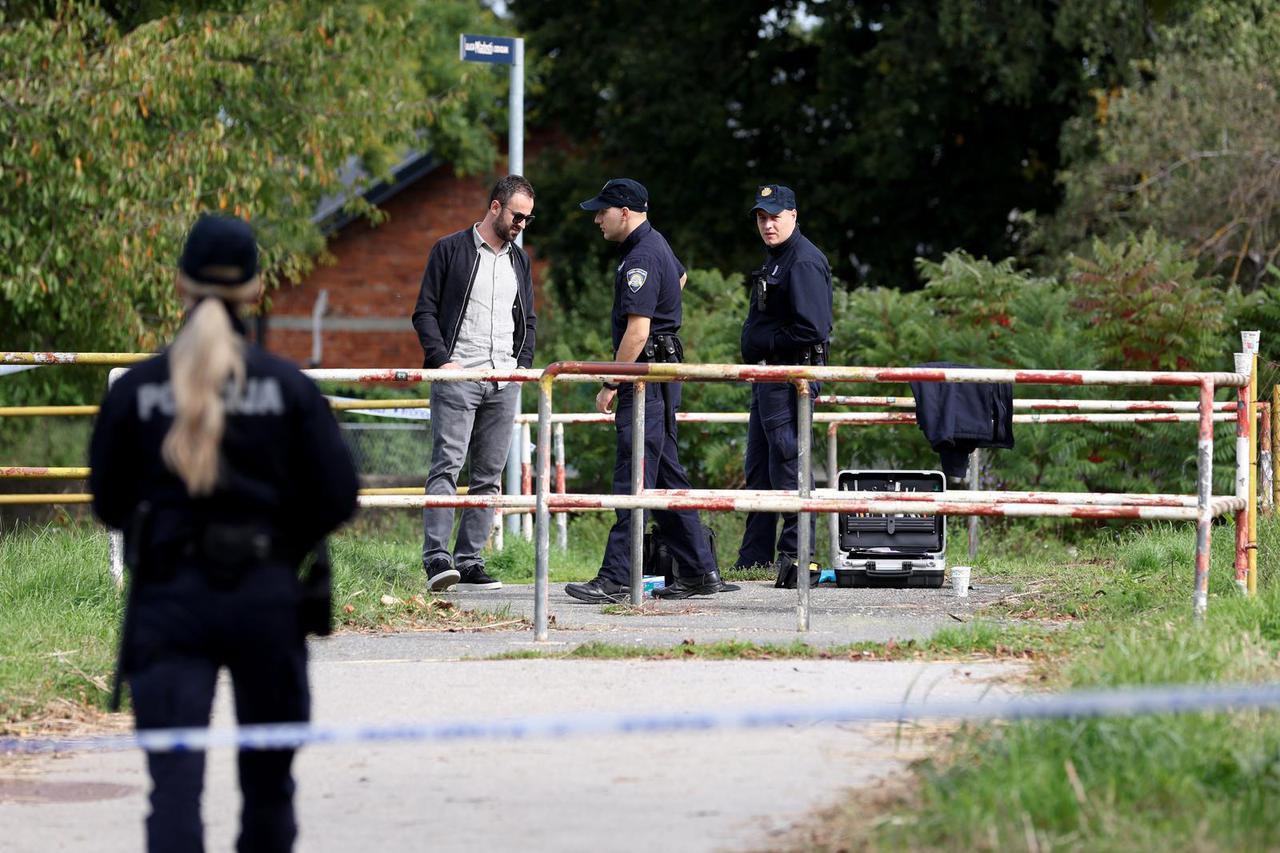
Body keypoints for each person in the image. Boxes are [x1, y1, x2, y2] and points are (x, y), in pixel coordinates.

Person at [89, 213, 360, 853]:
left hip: (167, 601)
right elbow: (339, 496)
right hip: (266, 601)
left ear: (181, 288)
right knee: (269, 792)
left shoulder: (137, 392)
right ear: (256, 290)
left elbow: (107, 503)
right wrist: (283, 542)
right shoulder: (290, 390)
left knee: (174, 795)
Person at [565, 178, 737, 602]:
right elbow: (679, 278)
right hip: (661, 375)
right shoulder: (654, 244)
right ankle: (699, 571)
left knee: (634, 475)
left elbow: (638, 332)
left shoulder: (640, 254)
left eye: (602, 211)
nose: (596, 219)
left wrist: (611, 381)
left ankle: (617, 577)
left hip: (644, 378)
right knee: (663, 474)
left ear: (625, 212)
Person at [411, 175, 538, 592]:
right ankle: (436, 557)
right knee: (447, 465)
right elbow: (424, 311)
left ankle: (469, 560)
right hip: (459, 375)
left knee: (489, 473)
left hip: (504, 380)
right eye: (518, 215)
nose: (522, 224)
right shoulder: (450, 249)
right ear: (496, 207)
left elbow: (528, 322)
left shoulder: (520, 261)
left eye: (528, 219)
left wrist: (521, 366)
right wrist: (441, 361)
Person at [733, 185, 833, 587]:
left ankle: (797, 555)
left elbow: (814, 327)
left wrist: (766, 342)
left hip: (791, 378)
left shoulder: (804, 261)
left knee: (789, 462)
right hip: (769, 377)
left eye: (775, 216)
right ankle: (753, 557)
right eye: (761, 217)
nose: (768, 224)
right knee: (759, 468)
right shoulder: (779, 256)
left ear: (793, 214)